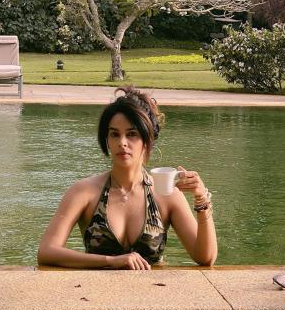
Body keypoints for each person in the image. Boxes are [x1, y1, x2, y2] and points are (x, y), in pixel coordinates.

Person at [38, 86, 217, 270]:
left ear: (147, 140)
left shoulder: (166, 195)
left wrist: (201, 200)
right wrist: (110, 261)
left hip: (154, 287)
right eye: (115, 134)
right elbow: (47, 251)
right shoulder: (84, 192)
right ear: (107, 140)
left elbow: (206, 258)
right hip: (96, 287)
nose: (122, 142)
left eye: (131, 134)